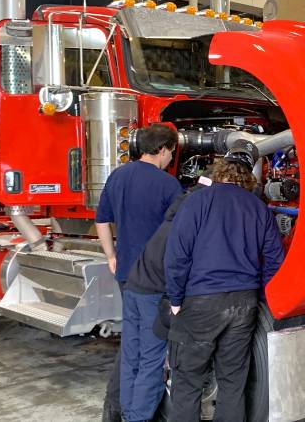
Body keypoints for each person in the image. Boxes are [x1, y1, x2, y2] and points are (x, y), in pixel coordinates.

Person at [165, 141, 285, 422]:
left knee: (188, 380)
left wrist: (175, 298)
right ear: (247, 176)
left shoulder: (197, 200)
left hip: (201, 300)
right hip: (244, 303)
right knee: (233, 382)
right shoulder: (258, 207)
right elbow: (274, 260)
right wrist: (265, 301)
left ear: (221, 169)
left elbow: (177, 254)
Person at [95, 124, 182, 422]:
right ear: (162, 149)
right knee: (153, 353)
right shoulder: (169, 185)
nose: (171, 158)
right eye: (171, 152)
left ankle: (119, 410)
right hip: (156, 280)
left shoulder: (117, 175)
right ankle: (138, 417)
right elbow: (180, 238)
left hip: (126, 276)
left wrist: (111, 256)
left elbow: (101, 220)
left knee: (131, 348)